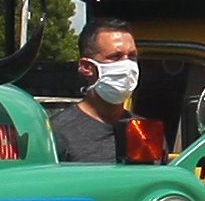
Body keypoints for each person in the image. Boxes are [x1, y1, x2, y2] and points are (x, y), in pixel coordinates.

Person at [45, 16, 159, 164]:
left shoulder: (146, 132)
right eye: (115, 57)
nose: (126, 65)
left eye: (132, 56)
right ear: (86, 67)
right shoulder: (57, 133)